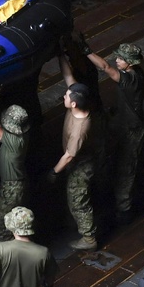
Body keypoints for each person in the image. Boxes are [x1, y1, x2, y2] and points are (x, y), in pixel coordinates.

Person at [87, 42, 144, 225]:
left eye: (121, 59)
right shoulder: (135, 73)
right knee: (115, 161)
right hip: (123, 123)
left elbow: (105, 67)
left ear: (130, 63)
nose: (117, 60)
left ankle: (124, 209)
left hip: (131, 130)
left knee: (126, 169)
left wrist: (87, 52)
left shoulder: (130, 79)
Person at [52, 52, 97, 251]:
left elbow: (69, 156)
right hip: (76, 160)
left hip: (80, 166)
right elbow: (69, 78)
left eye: (66, 97)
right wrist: (60, 54)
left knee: (78, 200)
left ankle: (89, 238)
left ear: (73, 104)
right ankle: (72, 221)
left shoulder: (80, 130)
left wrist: (53, 172)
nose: (64, 96)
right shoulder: (81, 101)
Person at [0, 90, 31, 243]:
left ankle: (6, 252)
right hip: (15, 184)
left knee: (2, 225)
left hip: (12, 187)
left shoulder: (14, 141)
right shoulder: (21, 136)